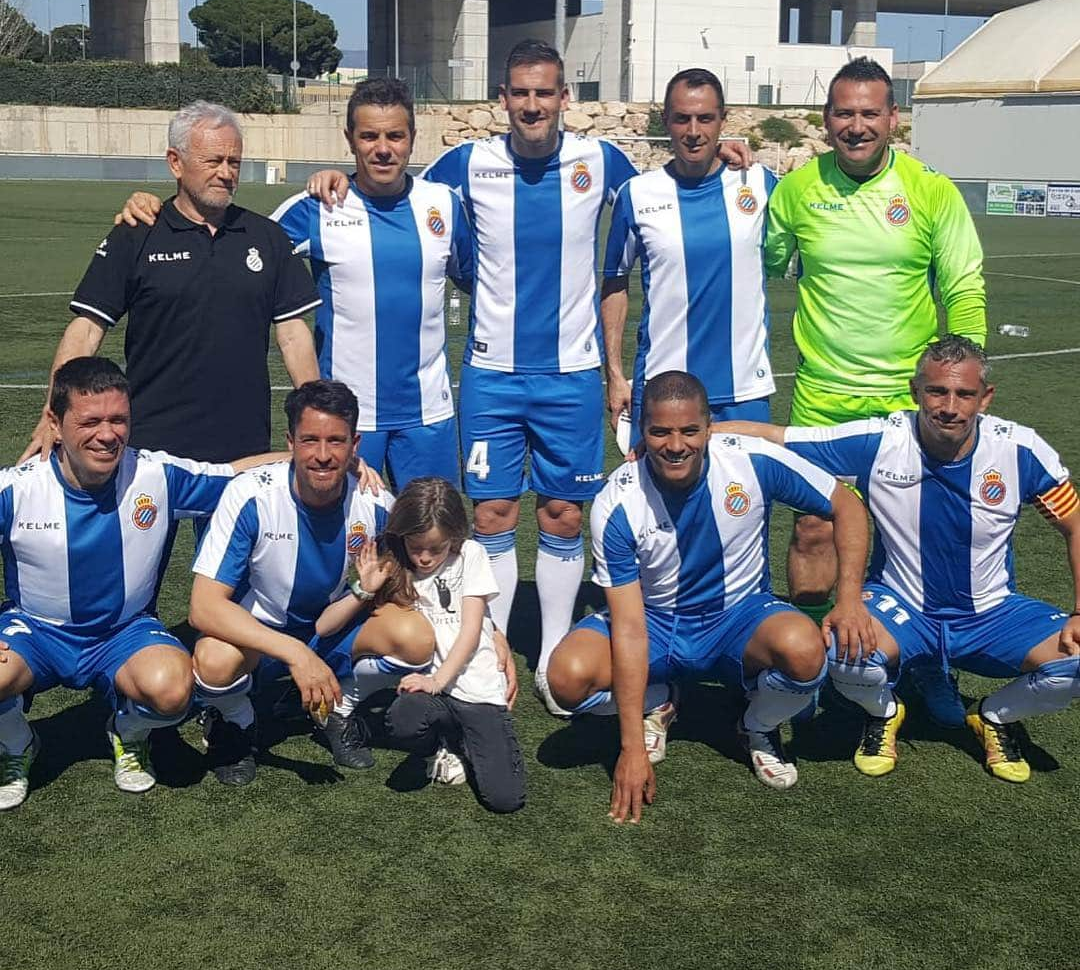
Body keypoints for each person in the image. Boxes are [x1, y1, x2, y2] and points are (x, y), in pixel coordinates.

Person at [307, 41, 755, 715]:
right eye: (520, 93)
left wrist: (719, 152)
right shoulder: (465, 165)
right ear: (503, 98)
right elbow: (394, 180)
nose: (533, 105)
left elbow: (662, 182)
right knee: (489, 512)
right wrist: (332, 176)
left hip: (573, 375)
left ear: (565, 98)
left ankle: (547, 654)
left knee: (562, 513)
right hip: (491, 374)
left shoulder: (601, 162)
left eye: (545, 93)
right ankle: (484, 638)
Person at [721, 336, 1080, 783]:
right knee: (844, 648)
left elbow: (1075, 523)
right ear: (915, 392)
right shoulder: (881, 440)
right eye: (936, 391)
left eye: (964, 394)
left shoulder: (1020, 450)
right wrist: (694, 432)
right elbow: (782, 439)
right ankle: (885, 711)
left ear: (985, 398)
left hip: (992, 611)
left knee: (1077, 658)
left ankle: (994, 718)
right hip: (903, 606)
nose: (949, 406)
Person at [763, 57, 987, 724]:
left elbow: (964, 285)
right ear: (826, 120)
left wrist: (961, 383)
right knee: (810, 532)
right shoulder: (798, 190)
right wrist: (740, 171)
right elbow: (764, 260)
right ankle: (807, 667)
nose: (855, 126)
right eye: (842, 113)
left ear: (894, 119)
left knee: (913, 543)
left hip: (903, 404)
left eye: (869, 113)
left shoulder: (928, 191)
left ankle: (925, 668)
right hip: (822, 397)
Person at [545, 371, 875, 822]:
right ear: (643, 432)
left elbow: (845, 503)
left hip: (738, 618)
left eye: (689, 431)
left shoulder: (752, 460)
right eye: (659, 431)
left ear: (709, 428)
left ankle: (755, 726)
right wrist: (630, 749)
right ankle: (658, 699)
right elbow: (628, 625)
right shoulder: (616, 502)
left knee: (805, 653)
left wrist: (850, 598)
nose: (675, 445)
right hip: (655, 623)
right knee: (565, 680)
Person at [116, 81, 473, 491]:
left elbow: (474, 279)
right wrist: (152, 208)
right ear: (349, 140)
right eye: (369, 136)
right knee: (339, 545)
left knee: (431, 538)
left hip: (430, 413)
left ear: (412, 138)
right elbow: (231, 243)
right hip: (344, 417)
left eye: (395, 135)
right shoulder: (317, 208)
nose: (383, 148)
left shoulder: (443, 205)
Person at [0, 357, 283, 810]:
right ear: (54, 423)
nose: (108, 434)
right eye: (90, 421)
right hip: (37, 631)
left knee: (173, 689)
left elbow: (234, 475)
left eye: (119, 420)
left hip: (124, 633)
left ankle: (127, 732)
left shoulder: (155, 475)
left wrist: (314, 460)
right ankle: (17, 743)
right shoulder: (16, 489)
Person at [22, 101, 320, 466]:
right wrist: (51, 414)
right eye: (213, 161)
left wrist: (314, 419)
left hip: (245, 446)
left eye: (234, 162)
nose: (226, 173)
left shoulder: (267, 237)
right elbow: (85, 331)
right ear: (175, 162)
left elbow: (292, 336)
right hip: (151, 447)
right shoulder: (136, 234)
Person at [188, 379, 404, 786]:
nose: (323, 455)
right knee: (214, 660)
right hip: (263, 636)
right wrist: (295, 655)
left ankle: (339, 707)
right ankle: (237, 720)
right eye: (310, 440)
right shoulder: (251, 494)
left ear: (355, 444)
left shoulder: (375, 503)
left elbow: (426, 575)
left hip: (333, 630)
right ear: (290, 442)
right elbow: (203, 607)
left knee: (413, 635)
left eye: (336, 441)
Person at [316, 477, 524, 813]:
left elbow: (471, 630)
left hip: (474, 689)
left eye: (436, 548)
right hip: (431, 694)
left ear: (455, 536)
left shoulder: (471, 554)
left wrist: (439, 678)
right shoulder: (394, 564)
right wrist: (364, 589)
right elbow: (324, 627)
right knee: (403, 721)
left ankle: (461, 741)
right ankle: (440, 742)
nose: (425, 558)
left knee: (505, 800)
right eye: (416, 547)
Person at [602, 68, 776, 436]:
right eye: (682, 118)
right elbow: (614, 284)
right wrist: (615, 375)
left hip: (745, 390)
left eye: (705, 118)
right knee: (657, 495)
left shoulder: (759, 183)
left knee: (746, 494)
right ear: (665, 120)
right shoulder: (637, 194)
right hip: (663, 390)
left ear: (723, 121)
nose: (694, 132)